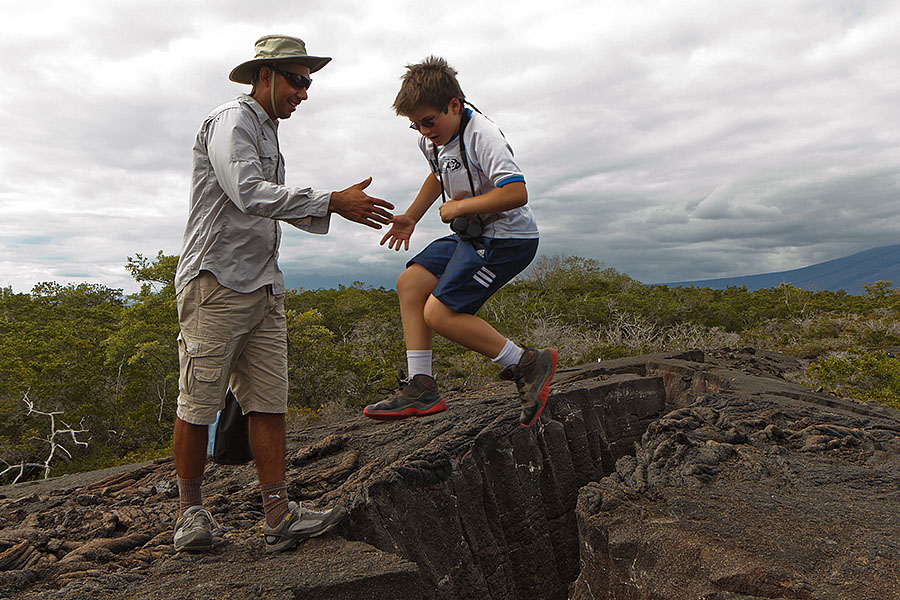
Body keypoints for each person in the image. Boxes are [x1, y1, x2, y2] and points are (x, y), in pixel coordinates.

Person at [171, 34, 394, 554]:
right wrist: (331, 200)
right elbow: (248, 193)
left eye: (309, 82)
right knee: (198, 402)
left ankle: (278, 512)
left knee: (269, 401)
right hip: (216, 282)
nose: (305, 92)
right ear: (264, 76)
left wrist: (332, 204)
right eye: (297, 81)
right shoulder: (232, 121)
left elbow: (266, 205)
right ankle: (190, 515)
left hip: (264, 284)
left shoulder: (268, 131)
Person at [363, 56, 557, 427]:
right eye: (414, 125)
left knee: (440, 313)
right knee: (411, 282)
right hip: (474, 233)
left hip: (507, 239)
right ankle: (422, 386)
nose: (423, 130)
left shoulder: (482, 134)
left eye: (428, 121)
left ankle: (528, 364)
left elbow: (516, 192)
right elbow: (438, 175)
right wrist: (411, 217)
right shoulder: (433, 140)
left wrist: (461, 207)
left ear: (454, 105)